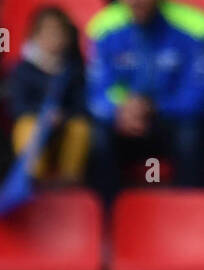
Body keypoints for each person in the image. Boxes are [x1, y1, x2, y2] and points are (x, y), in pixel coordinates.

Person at [86, 0, 204, 200]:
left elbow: (195, 93)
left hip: (171, 119)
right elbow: (97, 93)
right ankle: (107, 220)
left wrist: (155, 107)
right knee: (96, 137)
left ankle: (190, 216)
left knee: (191, 135)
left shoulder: (193, 25)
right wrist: (120, 109)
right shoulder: (104, 26)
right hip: (125, 121)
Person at [7, 6, 90, 185]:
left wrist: (63, 115)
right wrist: (43, 115)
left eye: (59, 33)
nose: (53, 38)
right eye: (47, 32)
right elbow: (17, 107)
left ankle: (69, 182)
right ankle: (32, 180)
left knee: (81, 129)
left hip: (64, 128)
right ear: (34, 36)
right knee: (26, 127)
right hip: (36, 124)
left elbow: (82, 105)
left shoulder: (74, 69)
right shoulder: (22, 70)